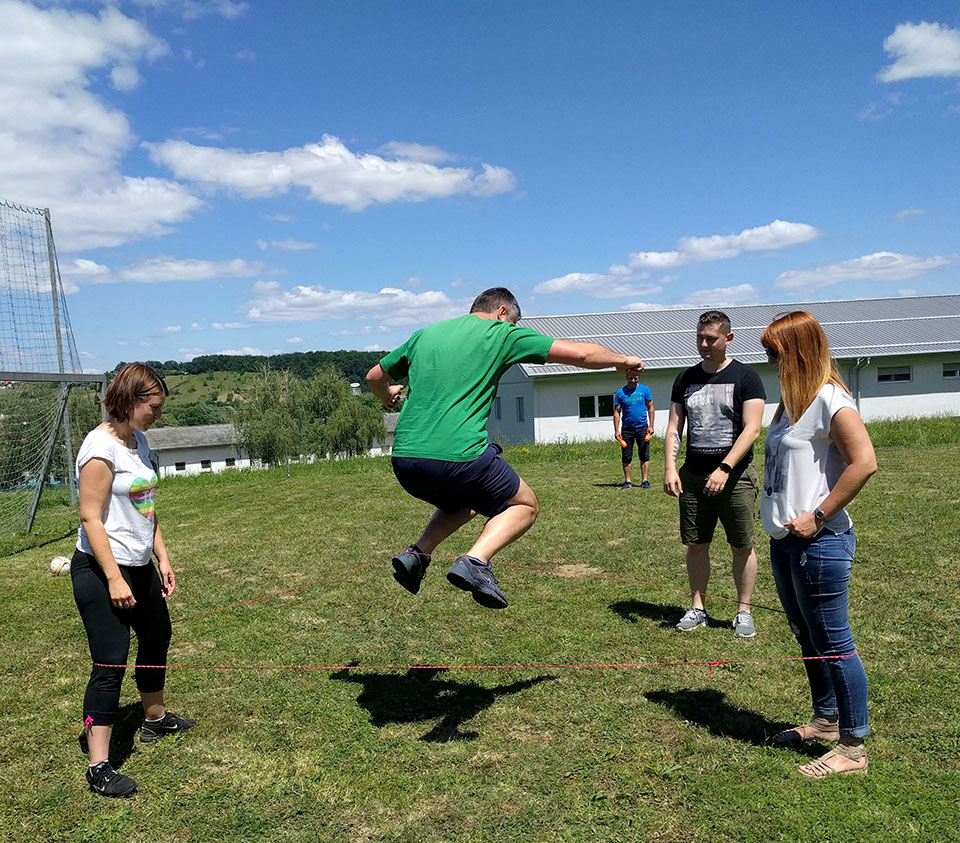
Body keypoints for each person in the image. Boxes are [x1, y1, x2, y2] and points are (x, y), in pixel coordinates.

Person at [366, 287, 644, 610]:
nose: (512, 328)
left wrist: (387, 395)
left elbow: (374, 377)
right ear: (501, 312)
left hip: (404, 460)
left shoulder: (425, 335)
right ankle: (475, 561)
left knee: (466, 501)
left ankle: (416, 555)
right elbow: (581, 355)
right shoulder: (501, 333)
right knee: (525, 505)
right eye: (512, 322)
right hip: (459, 457)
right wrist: (624, 360)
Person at [760, 311, 876, 776]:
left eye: (775, 353)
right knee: (807, 635)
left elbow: (864, 462)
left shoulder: (831, 400)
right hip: (785, 541)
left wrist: (819, 515)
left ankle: (853, 747)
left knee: (834, 642)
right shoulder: (790, 402)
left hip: (821, 543)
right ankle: (826, 722)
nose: (770, 361)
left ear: (798, 352)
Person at [71, 363, 195, 798]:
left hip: (139, 566)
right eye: (153, 407)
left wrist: (162, 556)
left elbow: (146, 505)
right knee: (110, 661)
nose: (158, 415)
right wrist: (113, 578)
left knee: (157, 634)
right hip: (100, 568)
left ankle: (155, 719)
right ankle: (98, 766)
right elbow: (90, 517)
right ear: (129, 401)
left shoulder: (138, 440)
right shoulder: (99, 448)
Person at [663, 310, 765, 638]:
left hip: (735, 478)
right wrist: (670, 467)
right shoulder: (685, 379)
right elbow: (674, 427)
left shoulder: (746, 377)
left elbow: (752, 429)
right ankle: (698, 608)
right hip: (693, 478)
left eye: (711, 339)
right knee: (696, 544)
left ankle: (743, 612)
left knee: (742, 545)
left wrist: (724, 468)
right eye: (700, 338)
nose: (704, 344)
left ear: (728, 338)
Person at [613, 370, 654, 489]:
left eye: (635, 378)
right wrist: (616, 430)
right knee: (626, 456)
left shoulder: (645, 390)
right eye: (630, 378)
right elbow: (616, 412)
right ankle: (628, 481)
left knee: (644, 455)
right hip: (627, 429)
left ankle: (645, 481)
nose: (633, 380)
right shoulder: (620, 393)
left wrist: (651, 425)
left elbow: (651, 408)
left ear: (639, 378)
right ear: (626, 377)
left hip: (642, 428)